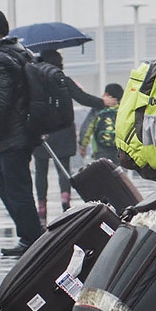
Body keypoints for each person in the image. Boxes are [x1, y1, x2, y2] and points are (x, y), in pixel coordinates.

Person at [0, 8, 42, 257]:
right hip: (22, 130)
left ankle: (31, 237)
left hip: (12, 134)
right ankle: (30, 232)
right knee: (2, 178)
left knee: (17, 187)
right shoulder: (19, 52)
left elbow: (0, 102)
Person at [31, 49, 104, 217]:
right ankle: (65, 202)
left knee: (40, 170)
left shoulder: (33, 82)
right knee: (63, 169)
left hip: (42, 132)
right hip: (62, 130)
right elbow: (82, 98)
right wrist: (102, 102)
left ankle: (41, 207)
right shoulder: (62, 79)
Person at [79, 84, 122, 164]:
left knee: (103, 171)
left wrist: (83, 145)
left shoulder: (98, 108)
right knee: (119, 174)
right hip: (120, 149)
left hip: (101, 149)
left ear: (106, 94)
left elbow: (87, 127)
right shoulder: (123, 109)